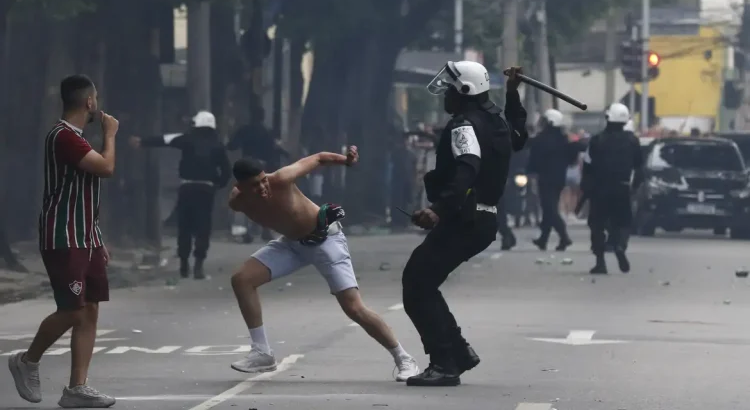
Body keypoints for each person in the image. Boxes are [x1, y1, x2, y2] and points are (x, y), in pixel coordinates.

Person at [226, 149, 420, 381]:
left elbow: (318, 158)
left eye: (263, 180)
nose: (263, 187)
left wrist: (346, 161)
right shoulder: (238, 202)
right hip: (291, 245)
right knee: (241, 279)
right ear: (241, 187)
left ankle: (404, 358)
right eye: (255, 185)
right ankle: (262, 353)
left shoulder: (282, 178)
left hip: (325, 239)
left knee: (354, 308)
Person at [402, 62, 528, 386]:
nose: (445, 95)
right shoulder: (496, 121)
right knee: (423, 281)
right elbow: (519, 134)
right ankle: (457, 352)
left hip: (464, 218)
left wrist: (438, 210)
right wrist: (513, 95)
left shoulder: (464, 125)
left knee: (417, 283)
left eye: (450, 89)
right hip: (482, 219)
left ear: (464, 92)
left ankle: (445, 362)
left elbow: (468, 166)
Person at [9, 75, 117, 408]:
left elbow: (87, 191)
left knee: (91, 311)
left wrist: (98, 239)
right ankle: (27, 360)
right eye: (95, 97)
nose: (96, 103)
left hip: (86, 236)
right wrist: (110, 135)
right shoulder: (63, 137)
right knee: (72, 310)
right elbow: (105, 168)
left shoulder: (78, 138)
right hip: (63, 235)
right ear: (89, 102)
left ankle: (77, 389)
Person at [129, 110, 231, 279]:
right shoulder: (218, 145)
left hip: (187, 189)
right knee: (203, 227)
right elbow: (226, 172)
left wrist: (142, 142)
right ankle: (199, 266)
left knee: (184, 226)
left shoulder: (186, 138)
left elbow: (165, 140)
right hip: (206, 190)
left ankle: (184, 264)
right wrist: (217, 185)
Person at [583, 103, 643, 274]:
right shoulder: (633, 141)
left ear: (608, 118)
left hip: (599, 189)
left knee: (597, 225)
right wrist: (633, 188)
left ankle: (600, 262)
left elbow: (587, 165)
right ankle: (620, 246)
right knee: (623, 222)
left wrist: (586, 188)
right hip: (622, 188)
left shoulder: (596, 140)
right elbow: (639, 168)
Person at [227, 105, 288, 242]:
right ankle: (265, 230)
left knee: (244, 196)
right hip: (261, 168)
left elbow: (231, 146)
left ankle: (246, 232)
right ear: (262, 117)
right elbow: (275, 150)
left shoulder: (244, 130)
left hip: (246, 166)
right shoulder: (266, 132)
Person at [528, 109, 577, 251]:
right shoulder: (563, 139)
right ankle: (543, 239)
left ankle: (564, 237)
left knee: (550, 209)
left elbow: (534, 157)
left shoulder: (542, 139)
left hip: (546, 179)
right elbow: (571, 158)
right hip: (559, 179)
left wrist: (531, 171)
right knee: (549, 208)